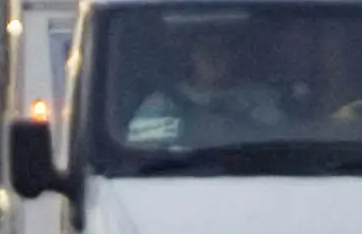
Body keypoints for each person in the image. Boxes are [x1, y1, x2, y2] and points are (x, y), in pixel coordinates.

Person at [119, 24, 279, 149]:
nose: (213, 56)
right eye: (205, 49)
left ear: (233, 55)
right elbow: (143, 154)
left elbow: (278, 144)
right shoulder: (162, 105)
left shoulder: (258, 99)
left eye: (222, 49)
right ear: (192, 56)